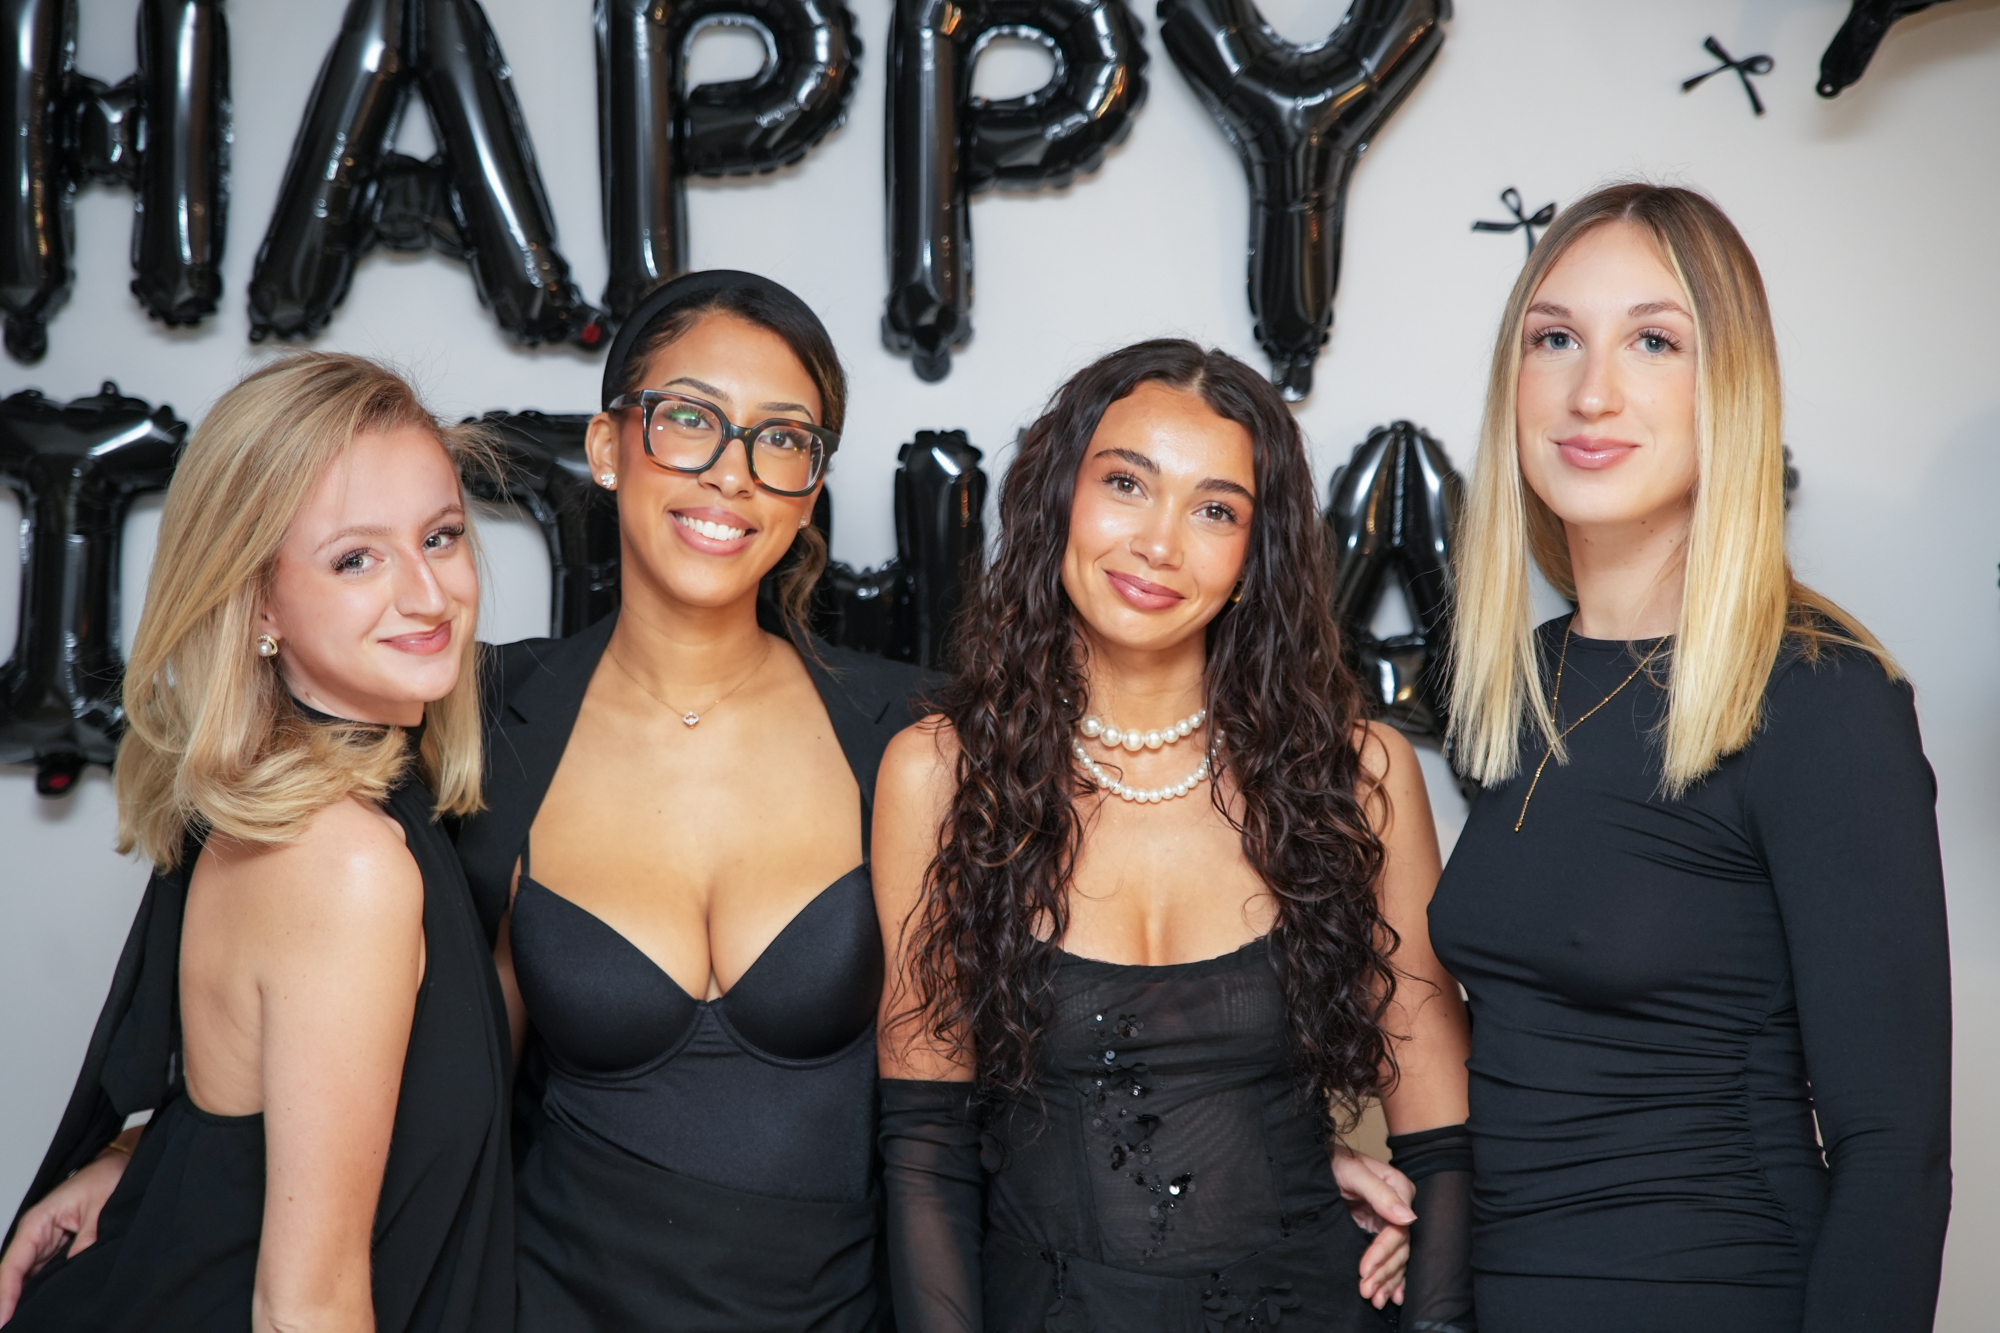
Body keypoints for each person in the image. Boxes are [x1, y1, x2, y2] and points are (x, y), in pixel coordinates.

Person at [873, 339, 1477, 1333]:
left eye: (1214, 510)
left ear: (1254, 557)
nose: (1159, 542)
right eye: (1125, 483)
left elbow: (1441, 1141)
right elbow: (925, 1154)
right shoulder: (939, 775)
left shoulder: (1355, 775)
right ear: (1059, 499)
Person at [1432, 182, 1951, 1331]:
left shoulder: (1818, 698)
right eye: (1553, 338)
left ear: (1729, 389)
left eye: (1652, 341)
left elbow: (1894, 1153)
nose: (1590, 391)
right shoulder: (1521, 683)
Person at [453, 270, 929, 1332]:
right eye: (688, 419)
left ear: (809, 488)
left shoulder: (910, 734)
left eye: (781, 438)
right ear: (606, 445)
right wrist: (148, 1138)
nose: (731, 473)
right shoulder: (482, 722)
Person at [0, 354, 514, 1332]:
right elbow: (303, 1309)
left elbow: (247, 1114)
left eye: (440, 536)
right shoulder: (344, 863)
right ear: (261, 603)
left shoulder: (313, 797)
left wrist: (138, 1154)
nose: (427, 593)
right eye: (355, 558)